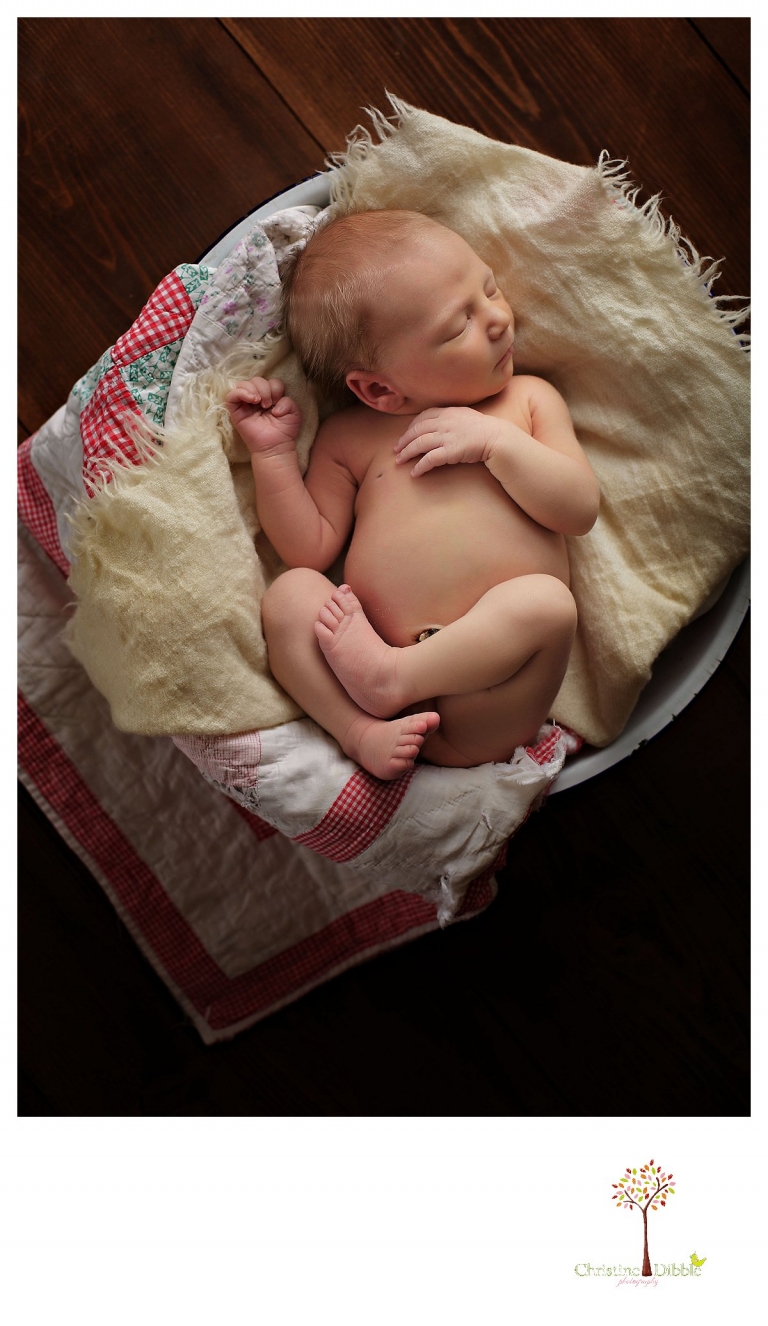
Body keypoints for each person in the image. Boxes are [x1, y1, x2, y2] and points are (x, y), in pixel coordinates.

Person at [225, 209, 600, 780]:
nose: (498, 319)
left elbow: (578, 508)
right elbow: (308, 550)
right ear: (379, 389)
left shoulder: (525, 402)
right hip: (373, 695)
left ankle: (394, 675)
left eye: (489, 288)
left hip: (491, 692)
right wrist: (273, 455)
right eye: (458, 327)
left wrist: (498, 444)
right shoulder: (349, 438)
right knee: (290, 594)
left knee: (547, 604)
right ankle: (356, 732)